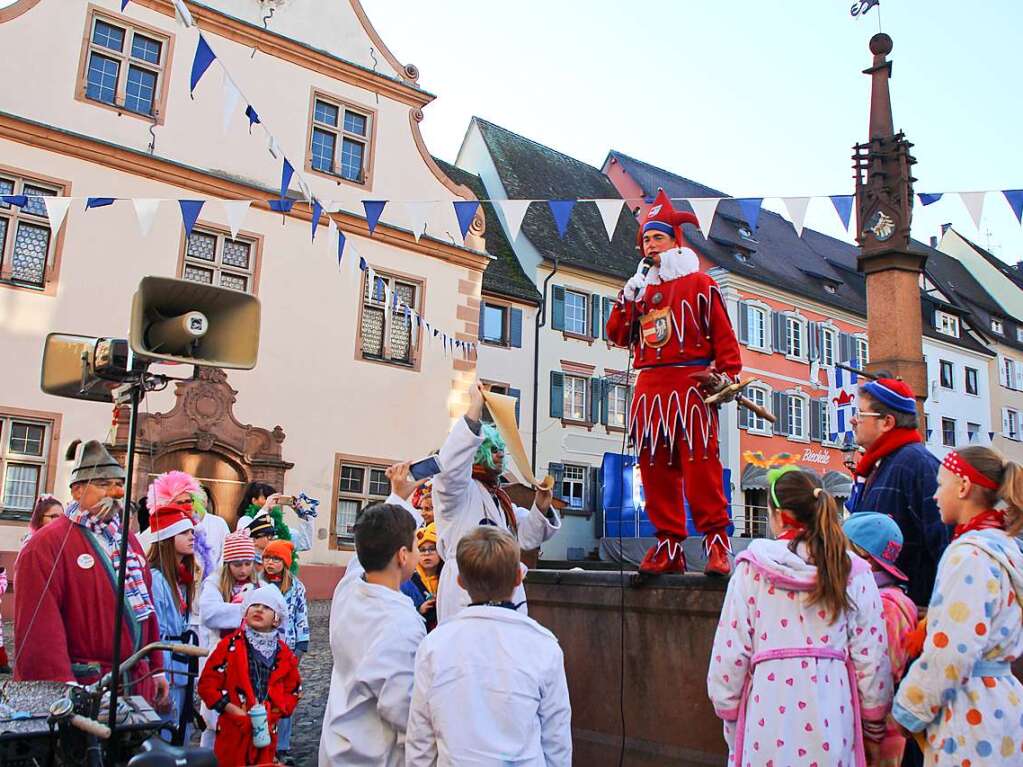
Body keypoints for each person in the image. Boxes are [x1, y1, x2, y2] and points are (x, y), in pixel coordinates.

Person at [707, 465, 892, 767]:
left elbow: (729, 655)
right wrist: (873, 724)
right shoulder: (852, 570)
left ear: (778, 516)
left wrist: (729, 714)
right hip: (833, 714)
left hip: (766, 713)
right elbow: (872, 659)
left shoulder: (752, 569)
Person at [605, 189, 743, 576]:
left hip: (691, 385)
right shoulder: (640, 290)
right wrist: (627, 298)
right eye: (646, 240)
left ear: (675, 242)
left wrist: (728, 374)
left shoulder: (700, 284)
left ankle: (717, 545)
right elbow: (617, 335)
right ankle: (669, 546)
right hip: (650, 389)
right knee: (654, 468)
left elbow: (724, 337)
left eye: (657, 238)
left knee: (701, 467)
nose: (650, 245)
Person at [892, 447, 1023, 763]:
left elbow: (951, 651)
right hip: (1001, 706)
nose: (935, 496)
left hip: (969, 713)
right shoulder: (1006, 549)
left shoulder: (967, 557)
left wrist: (908, 709)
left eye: (941, 484)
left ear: (963, 487)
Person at [14, 440, 168, 708]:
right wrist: (60, 688)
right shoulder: (46, 545)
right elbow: (39, 627)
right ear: (77, 491)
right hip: (86, 686)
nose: (116, 492)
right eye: (103, 484)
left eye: (118, 484)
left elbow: (145, 609)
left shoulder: (128, 541)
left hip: (134, 683)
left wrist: (156, 667)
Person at [406, 526, 572, 766]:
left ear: (460, 582)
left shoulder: (434, 645)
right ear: (518, 577)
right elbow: (556, 738)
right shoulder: (543, 645)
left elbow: (420, 739)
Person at [434, 381, 560, 623]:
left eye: (502, 449)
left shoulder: (498, 498)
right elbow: (450, 469)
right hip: (467, 585)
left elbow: (525, 537)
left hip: (502, 585)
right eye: (493, 450)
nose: (501, 454)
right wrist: (474, 411)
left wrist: (541, 505)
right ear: (476, 452)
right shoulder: (458, 491)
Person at [318, 502, 426, 767]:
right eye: (416, 547)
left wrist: (398, 497)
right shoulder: (400, 624)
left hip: (335, 745)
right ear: (403, 555)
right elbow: (403, 709)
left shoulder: (347, 590)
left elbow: (361, 556)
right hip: (371, 756)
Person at [847, 377, 948, 607]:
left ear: (887, 422)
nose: (854, 420)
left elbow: (944, 544)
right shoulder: (880, 464)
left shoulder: (917, 465)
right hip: (883, 607)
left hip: (909, 610)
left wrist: (930, 612)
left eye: (861, 414)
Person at [843, 512, 918, 767]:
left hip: (879, 731)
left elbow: (882, 671)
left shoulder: (885, 605)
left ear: (863, 557)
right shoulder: (891, 598)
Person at [197, 585, 301, 767]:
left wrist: (274, 713)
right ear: (245, 612)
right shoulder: (228, 647)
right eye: (255, 605)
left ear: (277, 620)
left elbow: (292, 690)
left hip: (266, 734)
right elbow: (207, 684)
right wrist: (233, 710)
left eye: (267, 607)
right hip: (233, 732)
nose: (259, 609)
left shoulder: (284, 655)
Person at [197, 529, 259, 749]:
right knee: (214, 719)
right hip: (220, 661)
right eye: (237, 564)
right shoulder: (214, 583)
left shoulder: (258, 587)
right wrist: (247, 611)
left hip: (249, 662)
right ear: (228, 564)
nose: (243, 570)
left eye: (247, 563)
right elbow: (209, 614)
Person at [146, 499, 199, 742]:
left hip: (180, 665)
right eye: (185, 532)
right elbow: (153, 632)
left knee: (180, 729)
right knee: (165, 731)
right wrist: (160, 677)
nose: (191, 537)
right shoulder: (157, 580)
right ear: (168, 538)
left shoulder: (182, 580)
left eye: (192, 532)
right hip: (166, 665)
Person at [259, 539, 308, 765]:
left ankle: (282, 745)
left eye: (276, 559)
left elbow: (301, 616)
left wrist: (300, 647)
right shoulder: (257, 583)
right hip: (261, 648)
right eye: (268, 558)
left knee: (284, 697)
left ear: (285, 563)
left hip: (286, 650)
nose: (270, 563)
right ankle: (261, 740)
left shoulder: (296, 588)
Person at [236, 483, 314, 570]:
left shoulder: (278, 525)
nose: (271, 502)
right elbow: (250, 535)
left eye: (274, 499)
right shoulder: (245, 520)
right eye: (266, 498)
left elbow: (304, 544)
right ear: (254, 500)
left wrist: (301, 515)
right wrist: (266, 508)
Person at [401, 523, 443, 632]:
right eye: (422, 549)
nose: (427, 554)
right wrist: (419, 610)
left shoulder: (446, 579)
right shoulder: (407, 582)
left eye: (432, 549)